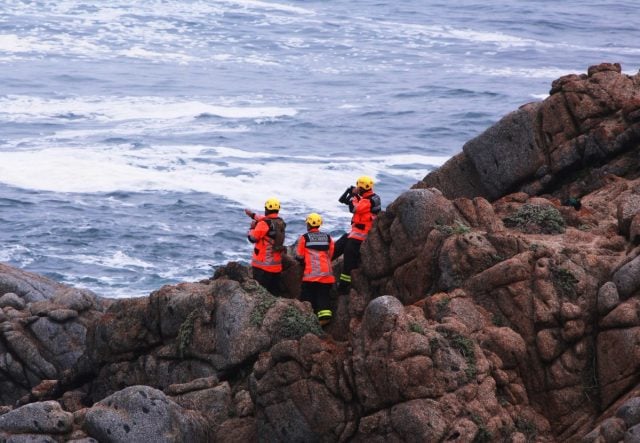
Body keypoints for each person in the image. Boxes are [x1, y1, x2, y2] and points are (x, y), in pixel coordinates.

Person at [334, 175, 381, 294]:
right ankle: (325, 261)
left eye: (358, 187)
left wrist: (354, 196)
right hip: (356, 232)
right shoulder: (368, 197)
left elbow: (354, 209)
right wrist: (351, 194)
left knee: (349, 258)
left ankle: (344, 286)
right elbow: (343, 200)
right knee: (338, 245)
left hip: (362, 234)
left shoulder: (368, 201)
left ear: (361, 188)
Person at [295, 213, 335, 326]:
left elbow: (299, 256)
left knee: (307, 297)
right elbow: (331, 254)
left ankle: (308, 320)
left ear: (308, 224)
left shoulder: (305, 238)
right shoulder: (328, 238)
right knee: (323, 296)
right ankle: (325, 319)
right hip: (326, 275)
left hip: (311, 276)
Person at [245, 197, 286, 295]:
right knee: (273, 293)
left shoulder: (263, 224)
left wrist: (252, 228)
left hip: (262, 266)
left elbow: (252, 239)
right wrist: (253, 215)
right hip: (276, 266)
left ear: (266, 209)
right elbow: (268, 220)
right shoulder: (281, 222)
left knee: (260, 293)